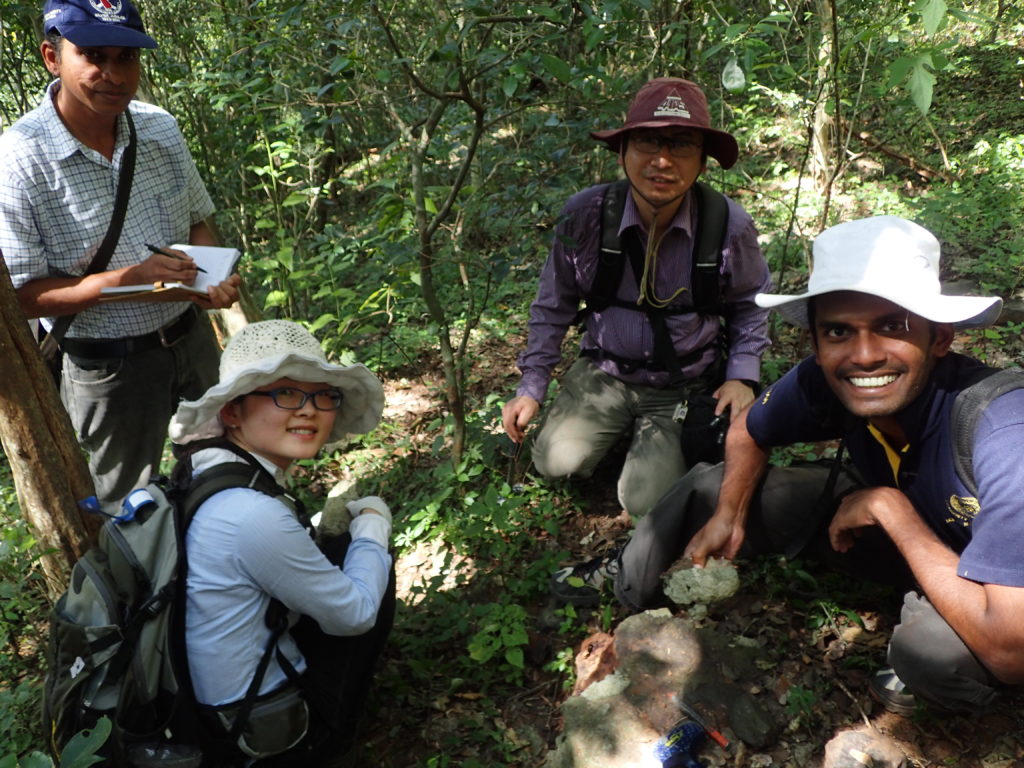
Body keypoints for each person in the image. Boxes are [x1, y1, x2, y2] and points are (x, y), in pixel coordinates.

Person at [561, 215, 1024, 717]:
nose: (865, 355)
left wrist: (891, 511)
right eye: (839, 331)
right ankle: (628, 578)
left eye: (893, 326)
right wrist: (730, 514)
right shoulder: (826, 381)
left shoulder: (1003, 432)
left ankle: (946, 671)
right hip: (911, 523)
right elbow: (748, 430)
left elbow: (1010, 648)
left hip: (989, 575)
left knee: (934, 657)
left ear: (940, 338)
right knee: (710, 486)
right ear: (817, 345)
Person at [0, 0, 241, 508]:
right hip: (110, 371)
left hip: (192, 344)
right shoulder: (20, 159)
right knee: (130, 509)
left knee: (227, 471)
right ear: (51, 56)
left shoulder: (159, 129)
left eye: (126, 57)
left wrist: (210, 278)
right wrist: (129, 278)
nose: (112, 74)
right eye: (93, 55)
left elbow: (197, 220)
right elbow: (21, 297)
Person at [502, 77, 771, 520]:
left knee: (646, 503)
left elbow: (750, 305)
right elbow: (554, 304)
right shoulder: (586, 216)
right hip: (604, 373)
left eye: (681, 145)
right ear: (622, 151)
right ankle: (606, 425)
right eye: (647, 142)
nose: (662, 161)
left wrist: (742, 376)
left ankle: (656, 437)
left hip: (680, 383)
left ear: (702, 162)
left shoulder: (728, 226)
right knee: (554, 464)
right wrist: (532, 386)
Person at [168, 319, 393, 764]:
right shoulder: (251, 512)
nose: (309, 410)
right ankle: (328, 740)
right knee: (367, 563)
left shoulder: (203, 471)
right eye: (285, 393)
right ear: (232, 411)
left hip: (197, 709)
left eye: (322, 395)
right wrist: (373, 524)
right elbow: (356, 614)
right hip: (255, 732)